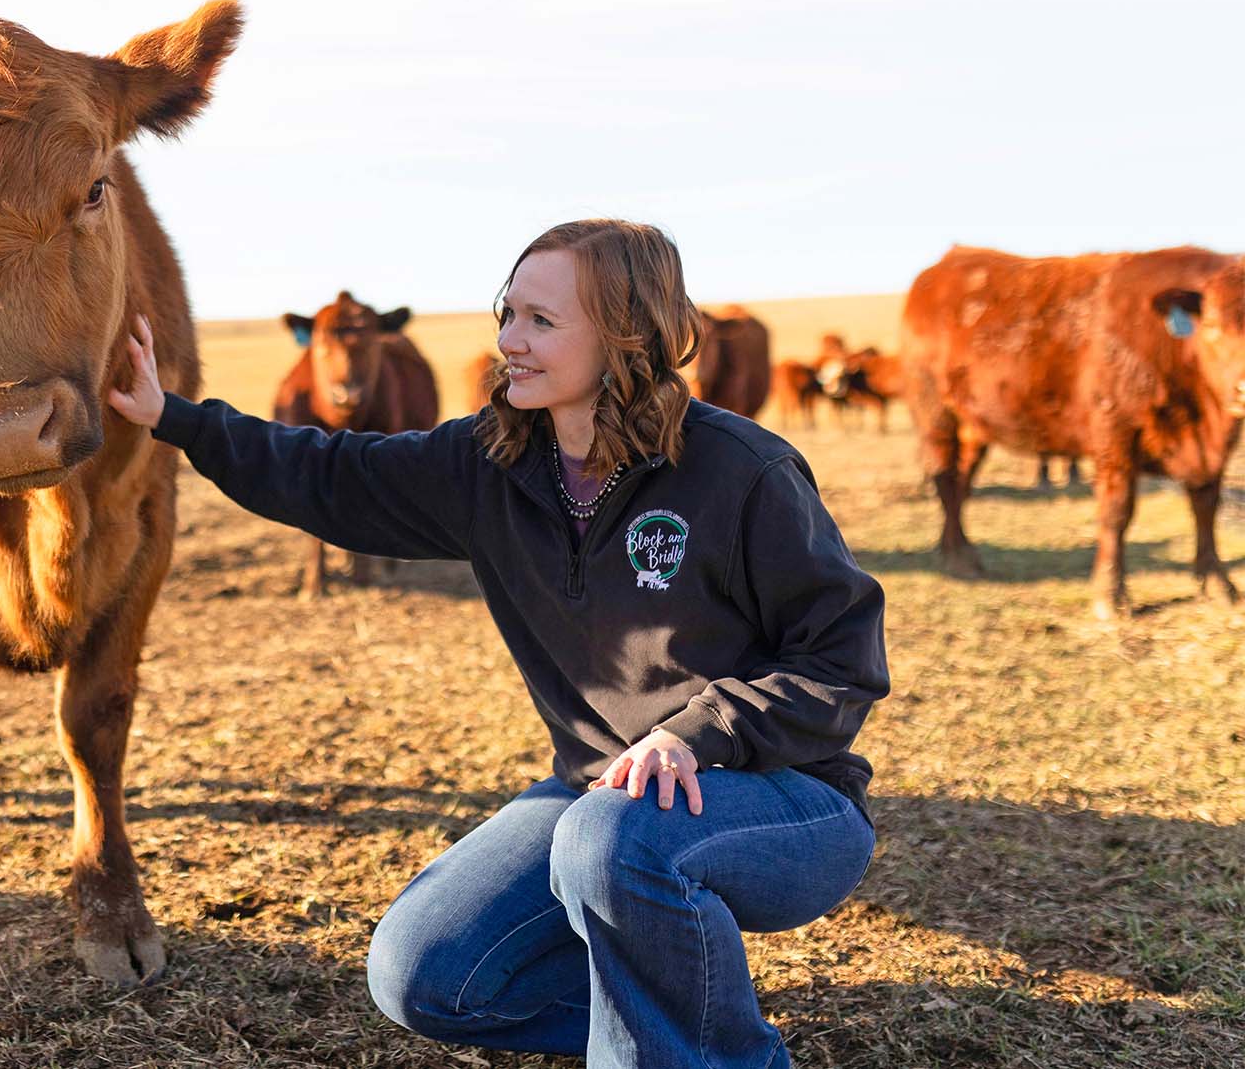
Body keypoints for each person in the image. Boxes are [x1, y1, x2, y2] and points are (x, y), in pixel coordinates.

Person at [108, 219, 887, 1069]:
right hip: (599, 795)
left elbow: (839, 660)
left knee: (612, 841)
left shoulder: (742, 470)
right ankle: (681, 1017)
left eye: (541, 322)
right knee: (424, 974)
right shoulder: (492, 463)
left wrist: (693, 734)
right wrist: (171, 417)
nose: (509, 341)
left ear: (628, 332)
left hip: (785, 799)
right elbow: (330, 472)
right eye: (505, 313)